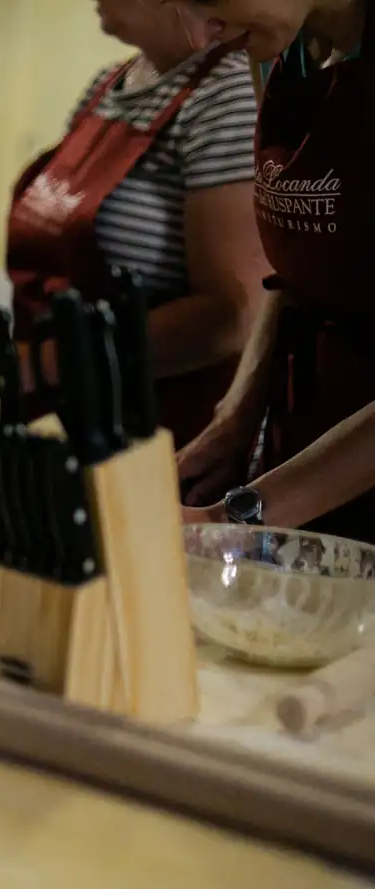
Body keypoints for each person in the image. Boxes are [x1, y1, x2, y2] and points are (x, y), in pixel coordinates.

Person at [0, 0, 266, 451]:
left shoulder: (226, 94)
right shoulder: (107, 87)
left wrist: (41, 363)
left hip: (177, 436)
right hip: (90, 424)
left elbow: (230, 317)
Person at [176, 0, 375, 538]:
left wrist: (239, 515)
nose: (199, 37)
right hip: (302, 450)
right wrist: (235, 418)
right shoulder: (281, 53)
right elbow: (296, 271)